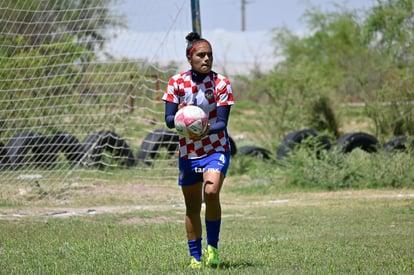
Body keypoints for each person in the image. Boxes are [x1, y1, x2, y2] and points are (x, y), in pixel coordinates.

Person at [162, 32, 234, 268]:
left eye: (209, 55)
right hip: (188, 152)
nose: (206, 59)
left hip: (215, 147)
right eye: (201, 55)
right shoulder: (176, 83)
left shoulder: (221, 83)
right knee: (192, 207)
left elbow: (222, 123)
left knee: (211, 192)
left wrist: (204, 129)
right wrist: (182, 116)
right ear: (189, 57)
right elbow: (169, 120)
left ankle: (212, 248)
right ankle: (196, 258)